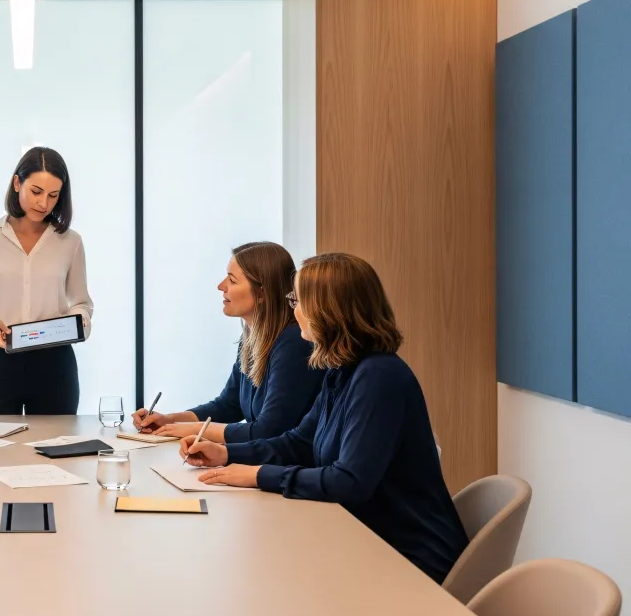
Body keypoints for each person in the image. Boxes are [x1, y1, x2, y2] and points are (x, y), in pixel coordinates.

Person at [179, 253, 468, 584]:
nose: (294, 311)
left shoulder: (379, 378)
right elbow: (299, 442)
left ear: (328, 310)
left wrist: (258, 475)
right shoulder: (342, 370)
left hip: (410, 560)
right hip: (366, 541)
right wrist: (227, 454)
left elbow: (349, 482)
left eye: (298, 301)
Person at [131, 242, 324, 443]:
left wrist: (189, 429)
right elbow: (229, 405)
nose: (221, 286)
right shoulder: (251, 338)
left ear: (261, 293)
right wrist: (168, 420)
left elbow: (268, 430)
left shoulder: (294, 343)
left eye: (232, 280)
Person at [0, 146, 93, 415]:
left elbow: (82, 303)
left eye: (53, 195)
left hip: (55, 365)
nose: (43, 203)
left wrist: (74, 323)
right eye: (36, 192)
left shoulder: (71, 242)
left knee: (57, 442)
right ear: (17, 183)